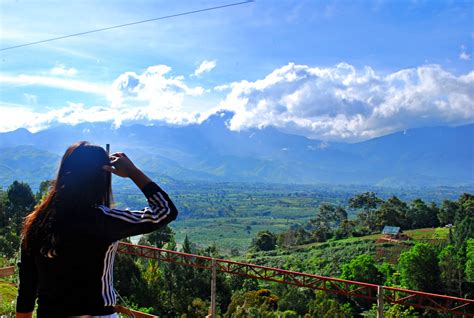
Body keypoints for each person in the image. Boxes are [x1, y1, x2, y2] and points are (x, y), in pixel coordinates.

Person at [16, 141, 178, 317]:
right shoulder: (104, 221)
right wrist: (133, 172)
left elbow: (27, 288)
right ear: (102, 178)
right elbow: (165, 211)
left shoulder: (36, 223)